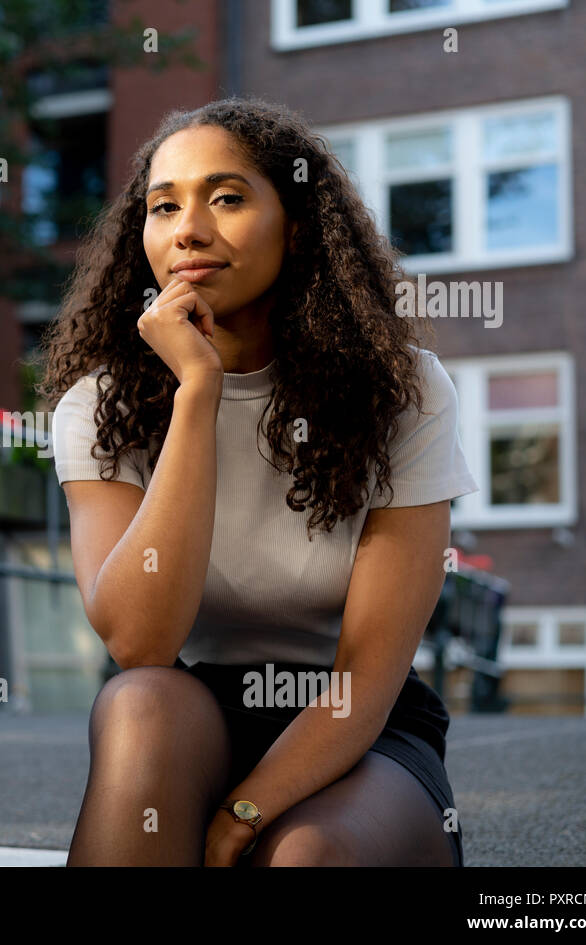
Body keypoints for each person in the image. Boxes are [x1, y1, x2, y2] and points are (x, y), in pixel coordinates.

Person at [38, 97, 478, 866]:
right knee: (139, 701)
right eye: (164, 206)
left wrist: (244, 813)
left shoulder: (401, 391)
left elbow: (365, 679)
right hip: (190, 719)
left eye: (227, 198)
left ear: (297, 224)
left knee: (303, 852)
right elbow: (140, 640)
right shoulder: (98, 406)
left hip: (358, 730)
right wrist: (197, 396)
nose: (189, 230)